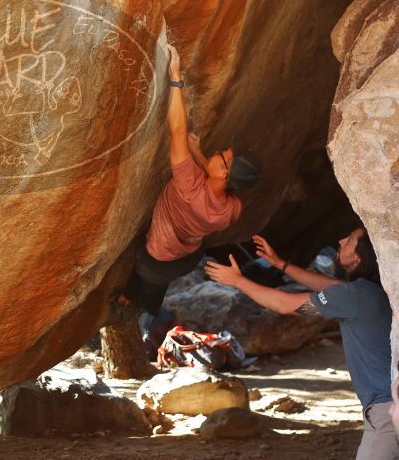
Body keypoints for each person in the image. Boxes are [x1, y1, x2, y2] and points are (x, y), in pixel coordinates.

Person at [205, 228, 397, 460]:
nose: (341, 239)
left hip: (385, 410)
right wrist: (280, 264)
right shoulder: (372, 292)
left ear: (359, 257)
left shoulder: (354, 296)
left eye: (350, 240)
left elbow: (285, 305)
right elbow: (329, 286)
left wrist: (238, 281)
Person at [113, 43, 261, 340]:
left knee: (142, 277)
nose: (218, 151)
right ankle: (149, 308)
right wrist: (198, 152)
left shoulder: (187, 183)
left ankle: (133, 306)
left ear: (223, 173)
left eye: (223, 155)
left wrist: (175, 76)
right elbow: (213, 179)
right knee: (157, 285)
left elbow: (177, 129)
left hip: (153, 259)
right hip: (186, 258)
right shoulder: (232, 209)